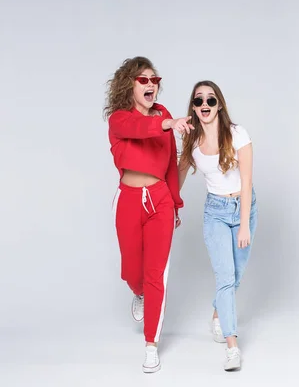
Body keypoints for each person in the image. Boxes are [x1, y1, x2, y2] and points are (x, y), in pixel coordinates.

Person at [104, 56, 193, 373]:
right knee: (132, 270)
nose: (151, 85)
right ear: (129, 84)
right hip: (128, 199)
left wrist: (176, 203)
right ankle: (136, 291)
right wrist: (167, 124)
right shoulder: (120, 119)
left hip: (160, 202)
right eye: (144, 80)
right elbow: (138, 129)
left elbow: (170, 164)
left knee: (157, 275)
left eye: (155, 80)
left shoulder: (164, 115)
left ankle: (151, 345)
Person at [178, 80, 257, 371]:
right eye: (198, 101)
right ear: (194, 108)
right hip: (216, 212)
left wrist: (245, 225)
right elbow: (179, 175)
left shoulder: (237, 134)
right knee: (224, 276)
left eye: (210, 100)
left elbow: (246, 182)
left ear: (219, 104)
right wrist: (172, 204)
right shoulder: (193, 142)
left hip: (244, 208)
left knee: (235, 274)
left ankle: (217, 312)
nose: (204, 106)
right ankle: (232, 346)